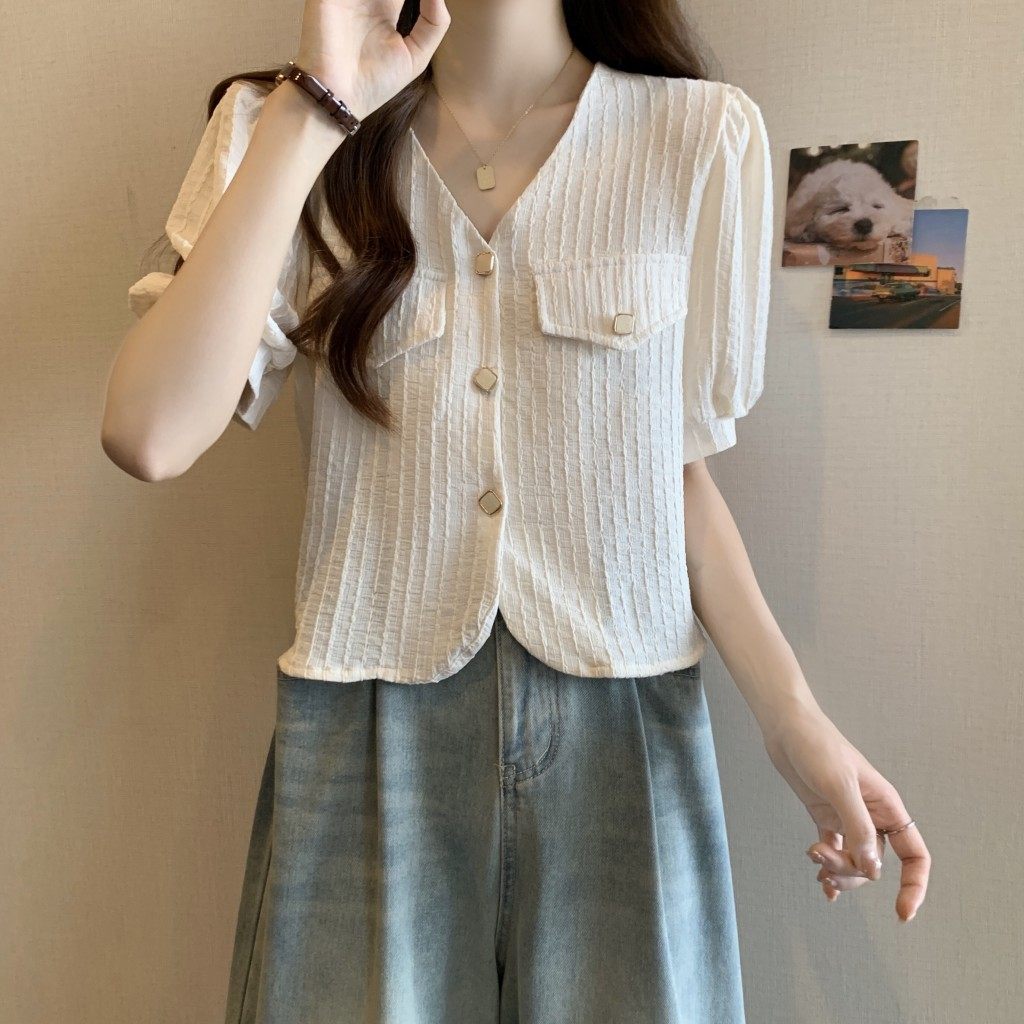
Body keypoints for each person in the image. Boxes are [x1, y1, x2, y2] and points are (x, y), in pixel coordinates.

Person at [102, 1, 932, 1020]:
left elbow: (666, 474)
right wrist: (315, 108)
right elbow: (149, 435)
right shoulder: (283, 125)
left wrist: (794, 720)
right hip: (368, 723)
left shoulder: (699, 136)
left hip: (624, 729)